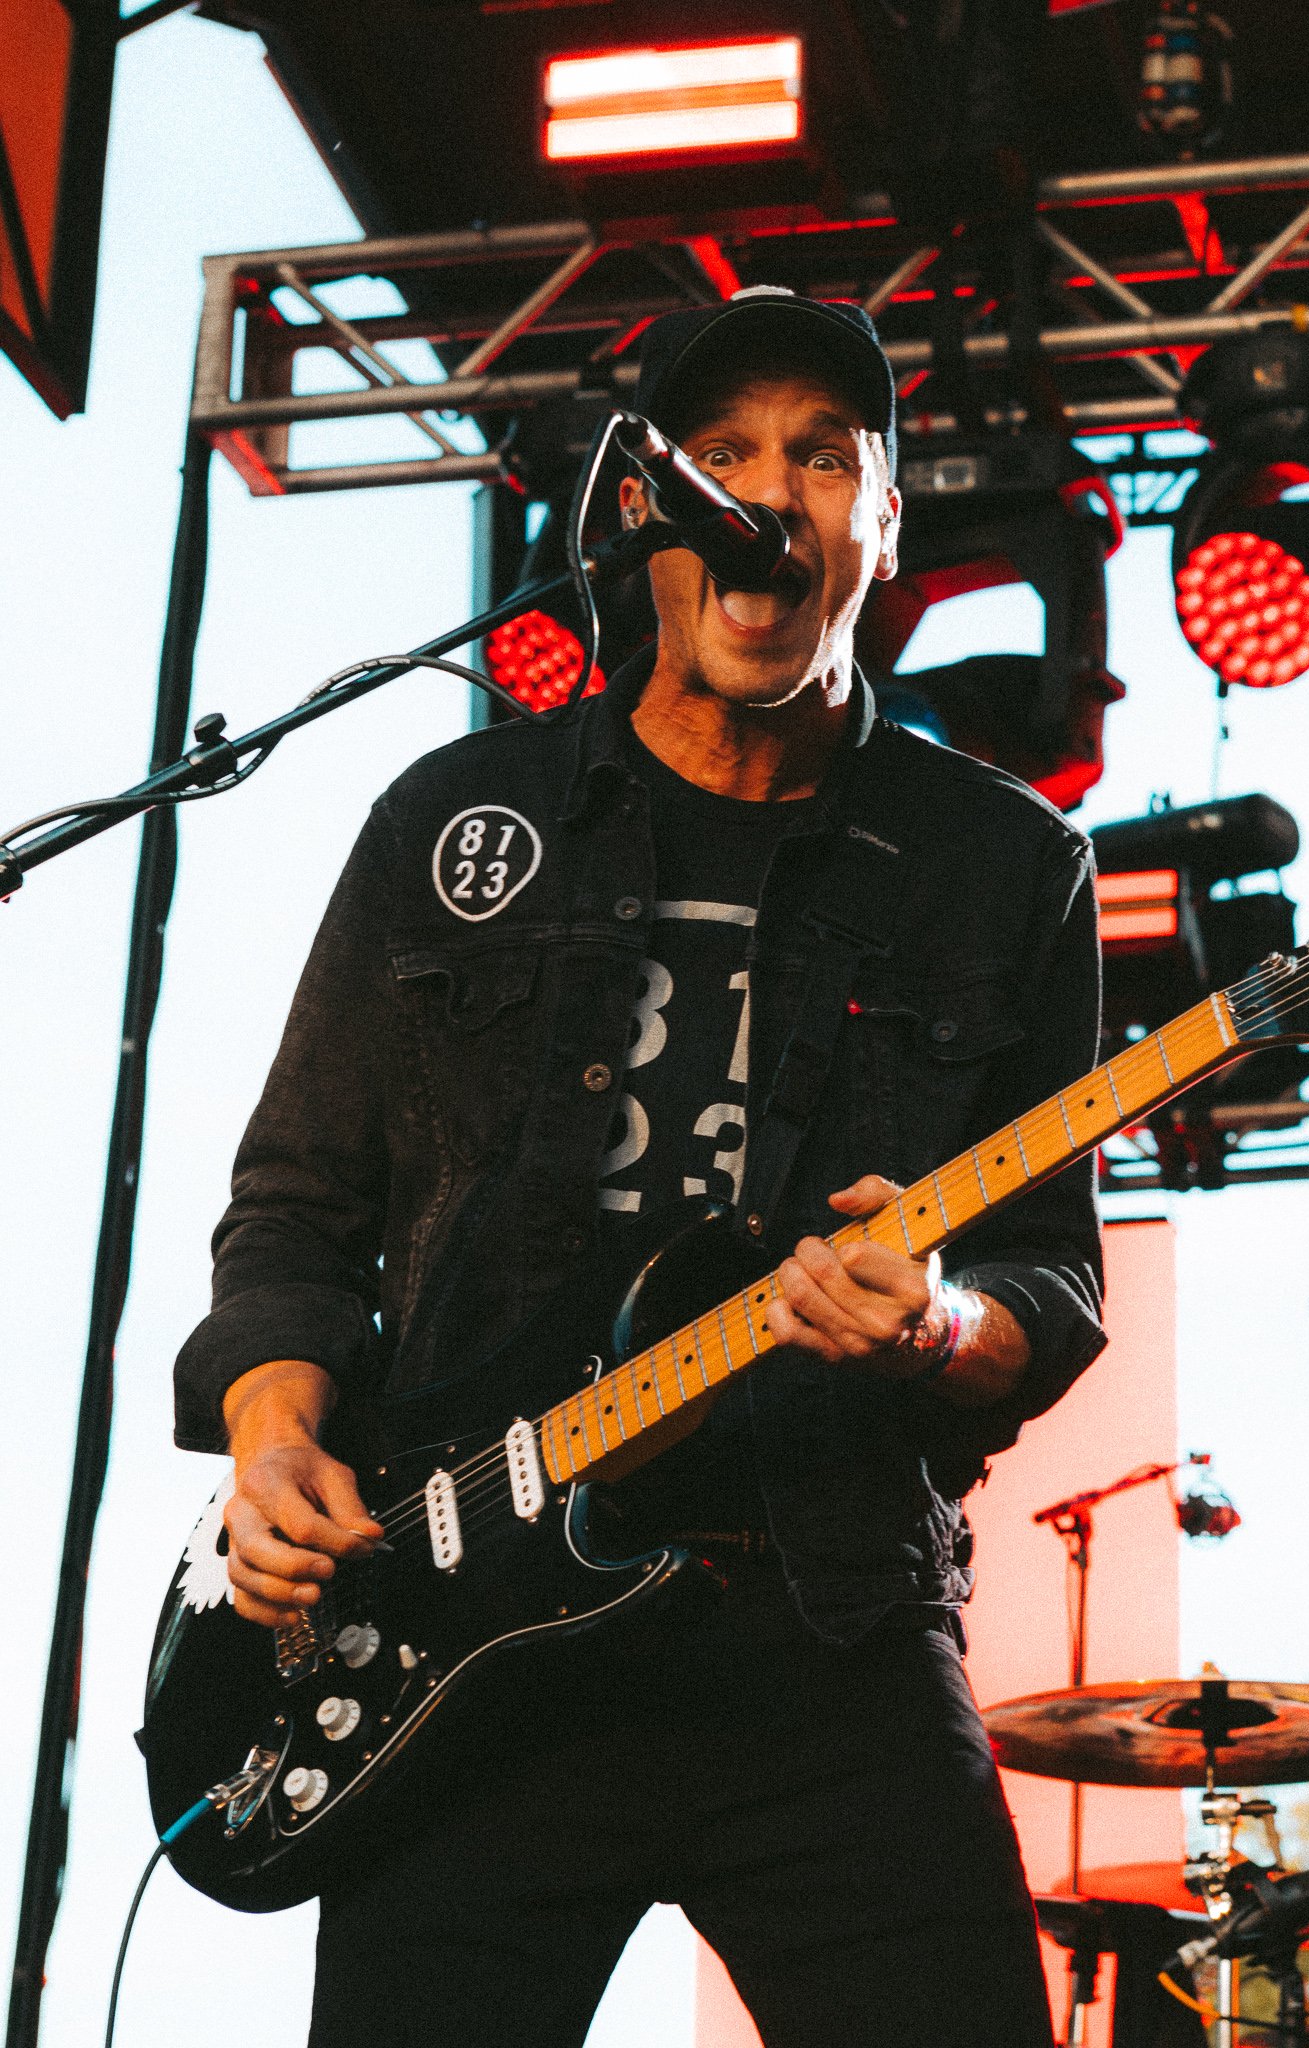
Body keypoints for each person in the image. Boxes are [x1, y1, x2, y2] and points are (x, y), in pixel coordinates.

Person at [174, 286, 1106, 2048]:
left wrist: (935, 1326)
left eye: (825, 459)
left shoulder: (1004, 869)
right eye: (727, 456)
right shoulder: (455, 821)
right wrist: (275, 1437)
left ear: (882, 524)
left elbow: (1049, 1283)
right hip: (468, 1625)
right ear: (642, 511)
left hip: (824, 1620)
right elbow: (295, 1209)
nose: (774, 495)